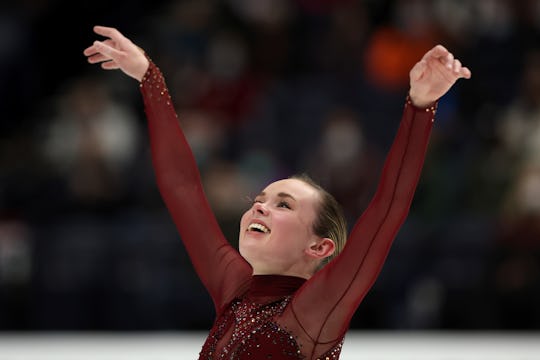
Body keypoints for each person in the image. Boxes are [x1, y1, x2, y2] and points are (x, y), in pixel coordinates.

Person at [83, 25, 471, 359]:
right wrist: (149, 76)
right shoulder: (233, 288)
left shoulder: (314, 311)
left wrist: (421, 107)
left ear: (319, 247)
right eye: (259, 200)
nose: (260, 208)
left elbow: (387, 210)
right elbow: (182, 188)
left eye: (282, 204)